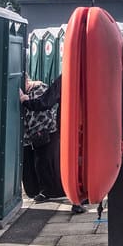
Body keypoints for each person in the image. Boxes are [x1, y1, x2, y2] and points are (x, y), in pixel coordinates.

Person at [19, 75, 86, 214]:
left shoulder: (63, 78)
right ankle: (79, 197)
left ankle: (76, 197)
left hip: (65, 127)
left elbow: (45, 103)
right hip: (83, 125)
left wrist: (26, 101)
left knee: (67, 162)